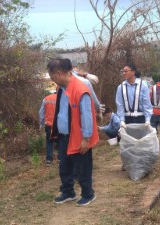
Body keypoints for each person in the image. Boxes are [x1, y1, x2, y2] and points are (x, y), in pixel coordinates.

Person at [48, 58, 99, 206]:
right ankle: (68, 191)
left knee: (83, 166)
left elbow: (87, 114)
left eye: (52, 77)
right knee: (65, 166)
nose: (52, 80)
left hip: (78, 136)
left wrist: (86, 138)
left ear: (58, 74)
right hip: (64, 136)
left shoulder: (80, 88)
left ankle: (88, 194)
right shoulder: (61, 89)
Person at [116, 63, 153, 127]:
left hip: (141, 119)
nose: (124, 73)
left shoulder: (143, 86)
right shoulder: (121, 87)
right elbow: (120, 105)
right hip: (127, 120)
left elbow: (146, 104)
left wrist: (147, 119)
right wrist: (121, 120)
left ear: (133, 72)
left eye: (126, 71)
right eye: (123, 71)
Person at [38, 91, 57, 166]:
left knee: (49, 141)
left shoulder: (46, 99)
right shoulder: (61, 98)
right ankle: (60, 159)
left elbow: (41, 112)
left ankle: (49, 160)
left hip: (48, 124)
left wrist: (41, 124)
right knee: (61, 142)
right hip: (58, 124)